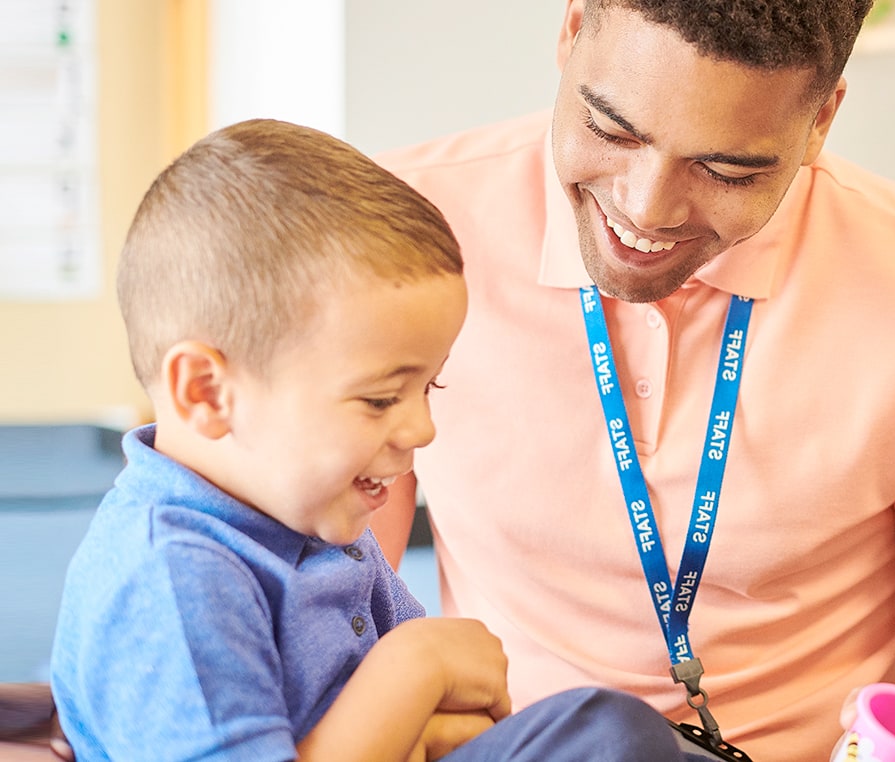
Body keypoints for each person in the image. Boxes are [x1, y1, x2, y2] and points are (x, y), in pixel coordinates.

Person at [368, 1, 895, 760]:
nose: (644, 208)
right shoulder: (398, 235)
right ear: (571, 31)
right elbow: (335, 616)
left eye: (726, 169)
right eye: (611, 130)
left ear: (820, 121)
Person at [45, 118, 687, 762]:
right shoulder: (170, 578)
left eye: (428, 390)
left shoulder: (315, 519)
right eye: (381, 399)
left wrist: (425, 724)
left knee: (604, 727)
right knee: (610, 740)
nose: (421, 430)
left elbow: (459, 722)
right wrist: (415, 670)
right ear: (207, 393)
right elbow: (427, 698)